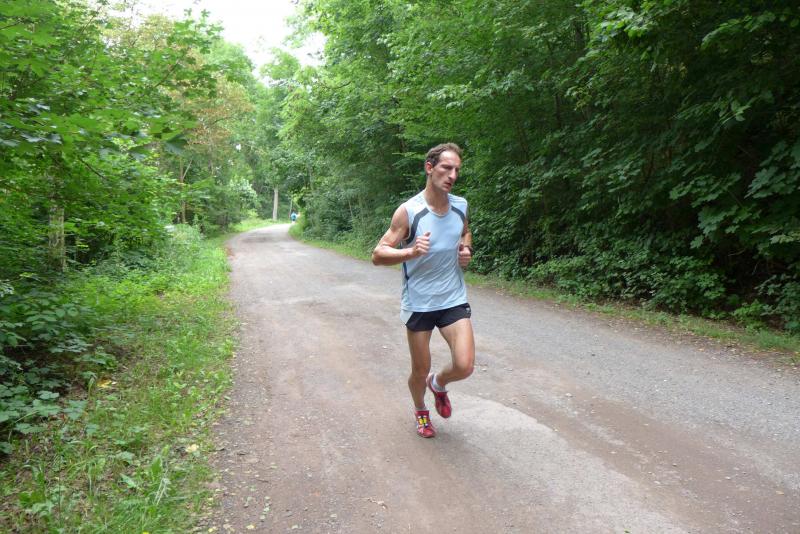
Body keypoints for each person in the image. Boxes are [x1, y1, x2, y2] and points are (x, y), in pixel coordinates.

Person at [371, 143, 475, 438]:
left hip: (452, 297)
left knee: (465, 365)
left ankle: (438, 383)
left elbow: (465, 231)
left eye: (457, 170)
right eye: (446, 168)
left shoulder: (460, 205)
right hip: (419, 302)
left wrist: (465, 249)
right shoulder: (409, 211)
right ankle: (420, 410)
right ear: (429, 168)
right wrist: (411, 252)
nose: (453, 175)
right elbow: (378, 254)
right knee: (419, 369)